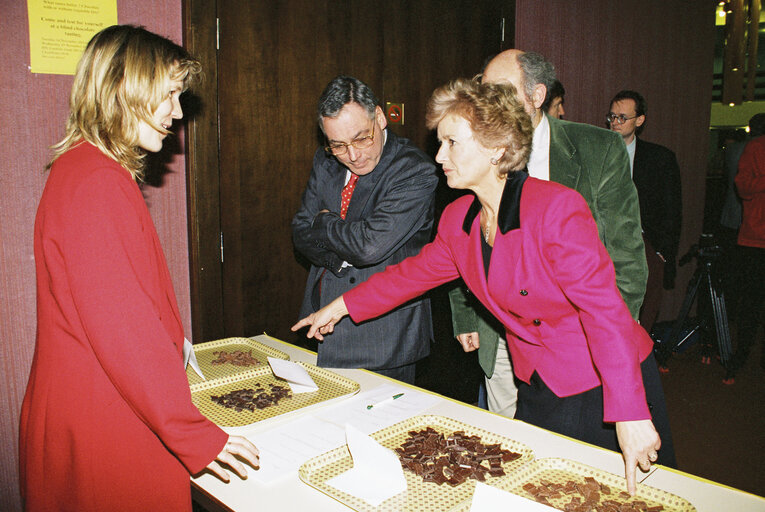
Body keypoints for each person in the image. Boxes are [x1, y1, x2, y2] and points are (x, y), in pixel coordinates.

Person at [293, 78, 674, 494]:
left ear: (496, 148)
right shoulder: (459, 219)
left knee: (618, 498)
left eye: (451, 143)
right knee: (541, 491)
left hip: (602, 379)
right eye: (440, 143)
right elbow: (411, 275)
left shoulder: (556, 209)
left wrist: (629, 412)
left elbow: (606, 311)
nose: (439, 156)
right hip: (537, 379)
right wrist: (342, 305)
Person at [19, 25, 259, 511]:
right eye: (169, 94)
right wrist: (193, 433)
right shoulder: (97, 183)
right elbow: (122, 331)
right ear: (123, 87)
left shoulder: (81, 168)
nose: (176, 111)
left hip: (90, 403)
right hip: (106, 420)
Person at [449, 50, 647, 418]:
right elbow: (463, 239)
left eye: (501, 91)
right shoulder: (473, 148)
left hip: (579, 336)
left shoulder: (599, 149)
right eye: (484, 91)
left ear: (537, 96)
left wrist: (613, 336)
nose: (487, 103)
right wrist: (464, 315)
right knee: (505, 437)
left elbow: (626, 250)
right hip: (502, 326)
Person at [291, 75, 438, 384]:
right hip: (322, 326)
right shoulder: (325, 160)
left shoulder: (413, 170)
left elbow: (368, 247)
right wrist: (337, 258)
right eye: (339, 145)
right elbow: (300, 230)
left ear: (380, 118)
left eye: (361, 138)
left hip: (382, 336)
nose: (353, 155)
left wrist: (325, 222)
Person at [608, 90, 682, 332]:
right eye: (611, 117)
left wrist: (662, 253)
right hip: (605, 243)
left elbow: (672, 210)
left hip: (646, 244)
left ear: (639, 120)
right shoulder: (597, 153)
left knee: (643, 317)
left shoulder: (660, 159)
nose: (615, 123)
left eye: (622, 117)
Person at [731, 131, 765, 372]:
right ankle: (740, 355)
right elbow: (742, 187)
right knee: (750, 305)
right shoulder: (756, 148)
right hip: (756, 241)